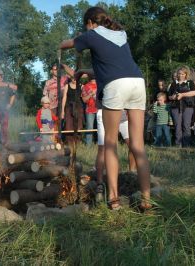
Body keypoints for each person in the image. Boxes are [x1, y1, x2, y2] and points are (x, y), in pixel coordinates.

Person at [60, 6, 151, 211]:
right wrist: (84, 70)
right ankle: (147, 200)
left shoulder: (91, 35)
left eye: (86, 25)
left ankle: (113, 199)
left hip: (116, 86)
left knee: (110, 143)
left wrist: (59, 46)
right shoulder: (121, 34)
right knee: (138, 145)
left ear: (91, 22)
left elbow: (69, 44)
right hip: (137, 82)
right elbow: (112, 66)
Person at [95, 103, 137, 203]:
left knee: (132, 145)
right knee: (103, 148)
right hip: (105, 111)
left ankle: (131, 173)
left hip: (120, 112)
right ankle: (100, 184)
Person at [168, 66, 195, 147]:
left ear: (186, 74)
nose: (180, 75)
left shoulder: (189, 82)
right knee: (177, 126)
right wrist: (173, 97)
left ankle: (186, 145)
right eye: (179, 73)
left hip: (188, 106)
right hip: (175, 107)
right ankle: (178, 144)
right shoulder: (173, 84)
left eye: (182, 74)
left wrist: (182, 95)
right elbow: (169, 96)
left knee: (186, 126)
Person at [0, 64, 17, 147]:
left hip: (4, 109)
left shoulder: (6, 86)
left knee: (4, 126)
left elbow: (13, 94)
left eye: (1, 76)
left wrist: (10, 104)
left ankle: (5, 142)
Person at [61, 76, 84, 146]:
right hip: (68, 107)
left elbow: (84, 97)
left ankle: (77, 142)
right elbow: (64, 98)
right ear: (70, 78)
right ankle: (69, 143)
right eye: (73, 77)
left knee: (79, 125)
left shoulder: (82, 86)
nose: (74, 79)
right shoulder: (67, 86)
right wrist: (62, 111)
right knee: (68, 125)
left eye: (76, 77)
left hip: (79, 108)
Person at [81, 75, 98, 145]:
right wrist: (91, 94)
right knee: (90, 127)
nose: (93, 77)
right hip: (89, 110)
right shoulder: (86, 86)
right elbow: (84, 100)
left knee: (101, 127)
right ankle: (89, 145)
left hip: (100, 109)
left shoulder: (101, 84)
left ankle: (101, 143)